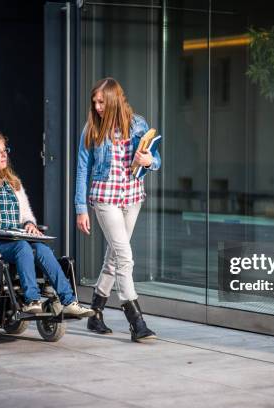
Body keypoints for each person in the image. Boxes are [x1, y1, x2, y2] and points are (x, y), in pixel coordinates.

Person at [0, 131, 94, 317]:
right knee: (23, 248)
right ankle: (31, 300)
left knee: (42, 249)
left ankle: (69, 301)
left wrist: (30, 224)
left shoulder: (12, 183)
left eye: (5, 150)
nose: (4, 155)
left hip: (14, 237)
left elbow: (25, 214)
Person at [75, 77, 161, 342]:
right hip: (105, 198)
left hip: (132, 197)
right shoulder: (92, 128)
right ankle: (136, 321)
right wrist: (80, 208)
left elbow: (155, 159)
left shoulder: (138, 124)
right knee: (124, 256)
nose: (97, 106)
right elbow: (82, 169)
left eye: (102, 101)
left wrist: (149, 161)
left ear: (113, 99)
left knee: (113, 258)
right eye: (95, 102)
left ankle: (95, 313)